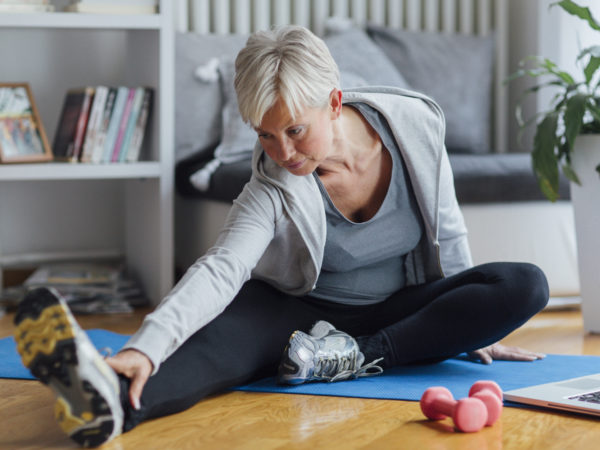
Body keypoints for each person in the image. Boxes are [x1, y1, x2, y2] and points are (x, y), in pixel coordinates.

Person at [14, 25, 548, 447]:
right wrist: (145, 349)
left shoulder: (415, 124)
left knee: (524, 284)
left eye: (295, 129)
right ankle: (108, 399)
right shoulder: (272, 181)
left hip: (398, 309)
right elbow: (221, 267)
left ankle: (356, 355)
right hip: (296, 311)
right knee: (211, 351)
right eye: (265, 134)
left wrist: (470, 325)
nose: (283, 151)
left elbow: (447, 226)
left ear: (334, 103)